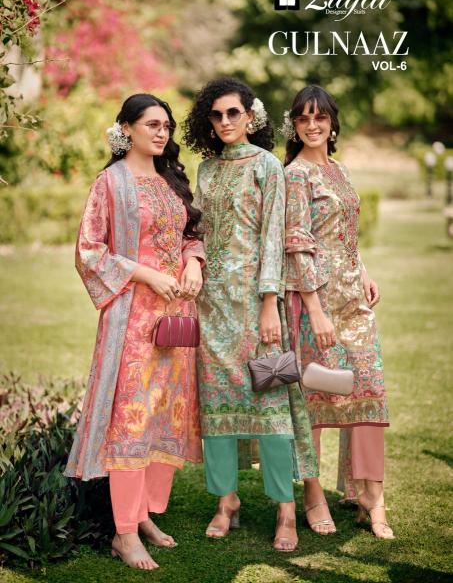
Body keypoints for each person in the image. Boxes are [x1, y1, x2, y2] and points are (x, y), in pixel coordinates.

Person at [65, 93, 205, 569]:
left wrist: (193, 263)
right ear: (126, 128)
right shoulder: (111, 183)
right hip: (132, 321)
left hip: (175, 320)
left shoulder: (170, 181)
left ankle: (143, 514)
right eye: (152, 124)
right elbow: (89, 251)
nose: (162, 133)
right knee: (132, 419)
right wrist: (146, 274)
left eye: (166, 126)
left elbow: (191, 235)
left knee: (165, 416)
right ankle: (124, 533)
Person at [183, 77, 318, 552]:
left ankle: (286, 510)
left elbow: (273, 237)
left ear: (250, 116)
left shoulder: (266, 165)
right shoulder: (205, 170)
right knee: (217, 409)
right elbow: (199, 231)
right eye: (216, 115)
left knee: (271, 405)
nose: (224, 122)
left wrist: (268, 302)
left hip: (257, 306)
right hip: (212, 306)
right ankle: (226, 502)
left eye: (233, 113)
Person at [283, 84, 394, 539]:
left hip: (354, 300)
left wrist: (363, 270)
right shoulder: (294, 175)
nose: (312, 125)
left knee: (368, 394)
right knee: (316, 398)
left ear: (332, 123)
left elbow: (346, 233)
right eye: (304, 118)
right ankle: (313, 495)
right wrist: (315, 310)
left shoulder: (340, 169)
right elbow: (296, 244)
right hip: (317, 302)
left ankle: (372, 497)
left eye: (320, 117)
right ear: (294, 125)